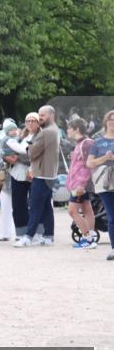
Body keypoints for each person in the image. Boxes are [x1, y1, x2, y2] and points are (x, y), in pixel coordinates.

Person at [15, 105, 60, 247]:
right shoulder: (55, 130)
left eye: (42, 115)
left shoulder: (46, 132)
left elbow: (32, 153)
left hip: (42, 175)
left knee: (35, 206)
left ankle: (28, 236)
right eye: (39, 115)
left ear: (51, 115)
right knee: (46, 206)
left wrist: (28, 146)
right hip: (48, 174)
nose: (40, 118)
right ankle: (48, 236)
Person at [85, 109, 114, 261]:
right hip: (104, 181)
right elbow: (89, 163)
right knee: (111, 215)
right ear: (106, 122)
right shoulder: (98, 142)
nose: (113, 122)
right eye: (111, 119)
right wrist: (105, 158)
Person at [65, 118, 97, 249]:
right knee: (87, 209)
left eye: (69, 128)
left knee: (72, 211)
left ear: (77, 129)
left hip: (80, 184)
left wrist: (81, 184)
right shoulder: (81, 143)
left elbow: (88, 166)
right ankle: (91, 238)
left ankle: (88, 238)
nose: (67, 131)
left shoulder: (86, 143)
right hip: (79, 183)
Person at [0, 119, 18, 241]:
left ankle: (14, 232)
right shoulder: (0, 138)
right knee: (5, 206)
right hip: (5, 178)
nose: (13, 131)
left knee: (15, 206)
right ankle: (6, 232)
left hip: (15, 177)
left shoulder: (18, 140)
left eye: (14, 129)